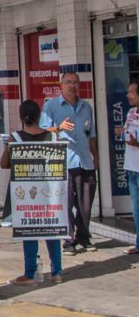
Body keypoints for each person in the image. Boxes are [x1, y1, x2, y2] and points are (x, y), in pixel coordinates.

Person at [1, 100, 64, 285]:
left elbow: (3, 164)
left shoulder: (15, 138)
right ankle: (57, 271)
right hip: (49, 194)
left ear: (21, 117)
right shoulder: (53, 138)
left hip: (25, 196)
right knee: (52, 230)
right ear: (39, 116)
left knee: (28, 231)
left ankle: (29, 274)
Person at [40, 72, 98, 255]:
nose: (72, 85)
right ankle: (69, 240)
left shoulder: (86, 106)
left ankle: (83, 236)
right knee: (66, 203)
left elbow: (91, 135)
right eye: (68, 82)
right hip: (63, 162)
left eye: (75, 82)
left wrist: (95, 158)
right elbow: (42, 132)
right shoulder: (51, 106)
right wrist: (58, 128)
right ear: (61, 85)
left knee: (85, 205)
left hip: (85, 162)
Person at [122, 82, 139, 255]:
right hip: (131, 167)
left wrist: (137, 143)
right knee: (136, 210)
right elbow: (126, 133)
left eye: (131, 92)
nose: (128, 95)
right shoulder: (131, 113)